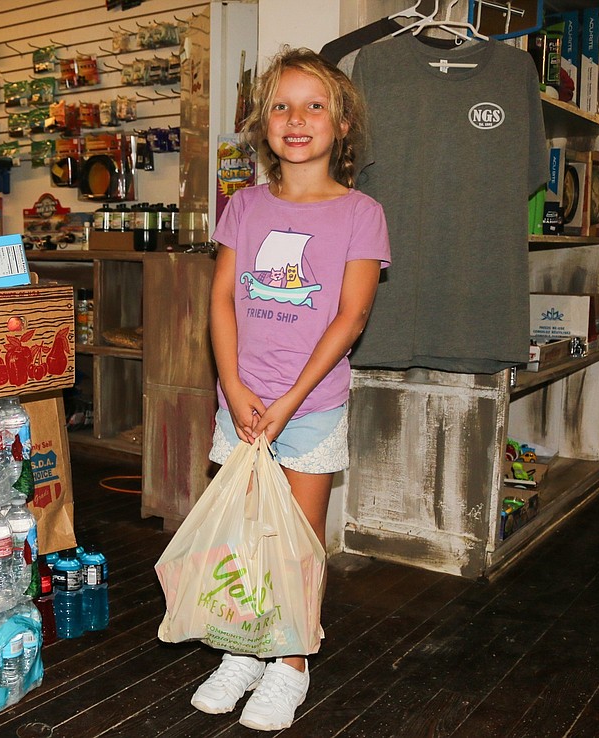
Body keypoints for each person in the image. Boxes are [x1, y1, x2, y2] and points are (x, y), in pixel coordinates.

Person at [192, 47, 391, 731]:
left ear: (341, 127)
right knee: (244, 536)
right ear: (262, 125)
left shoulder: (361, 212)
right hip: (242, 405)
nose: (296, 119)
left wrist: (285, 403)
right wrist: (235, 385)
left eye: (314, 106)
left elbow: (352, 315)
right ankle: (247, 648)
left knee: (297, 541)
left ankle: (293, 661)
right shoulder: (243, 206)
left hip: (307, 409)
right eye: (281, 105)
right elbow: (220, 300)